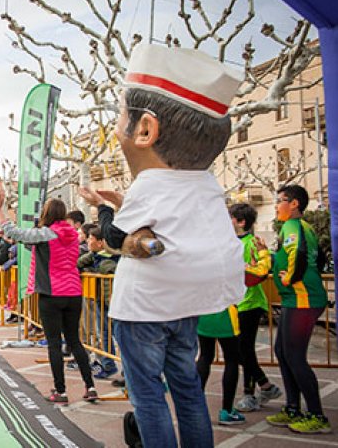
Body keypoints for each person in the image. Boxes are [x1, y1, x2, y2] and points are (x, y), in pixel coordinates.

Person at [78, 44, 245, 447]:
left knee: (149, 396)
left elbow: (117, 238)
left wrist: (103, 208)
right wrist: (122, 205)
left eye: (120, 115)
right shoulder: (205, 184)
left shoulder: (152, 183)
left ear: (146, 130)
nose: (117, 126)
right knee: (188, 389)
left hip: (143, 311)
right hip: (186, 308)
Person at [0, 186, 98, 404]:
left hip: (51, 293)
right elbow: (38, 248)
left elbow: (13, 232)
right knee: (75, 341)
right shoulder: (73, 235)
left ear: (47, 214)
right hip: (73, 292)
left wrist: (0, 209)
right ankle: (90, 387)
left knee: (53, 343)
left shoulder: (46, 234)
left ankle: (60, 391)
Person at [264, 185, 332, 434]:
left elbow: (300, 255)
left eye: (280, 201)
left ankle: (317, 417)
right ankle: (292, 407)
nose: (276, 206)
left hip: (304, 299)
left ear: (294, 204)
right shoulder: (303, 228)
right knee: (281, 351)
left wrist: (288, 278)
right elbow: (319, 258)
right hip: (296, 299)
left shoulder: (293, 226)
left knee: (293, 356)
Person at [230, 203, 283, 413]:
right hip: (237, 303)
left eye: (231, 217)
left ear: (241, 222)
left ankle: (252, 393)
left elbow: (259, 270)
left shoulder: (252, 243)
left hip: (250, 303)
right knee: (242, 350)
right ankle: (264, 387)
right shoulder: (231, 242)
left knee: (244, 350)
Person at [76, 225, 120, 380]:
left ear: (101, 242)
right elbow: (79, 263)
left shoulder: (110, 261)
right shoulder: (96, 255)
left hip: (113, 303)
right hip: (101, 300)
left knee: (117, 334)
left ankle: (126, 371)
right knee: (105, 333)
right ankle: (108, 365)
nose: (88, 241)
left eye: (90, 238)